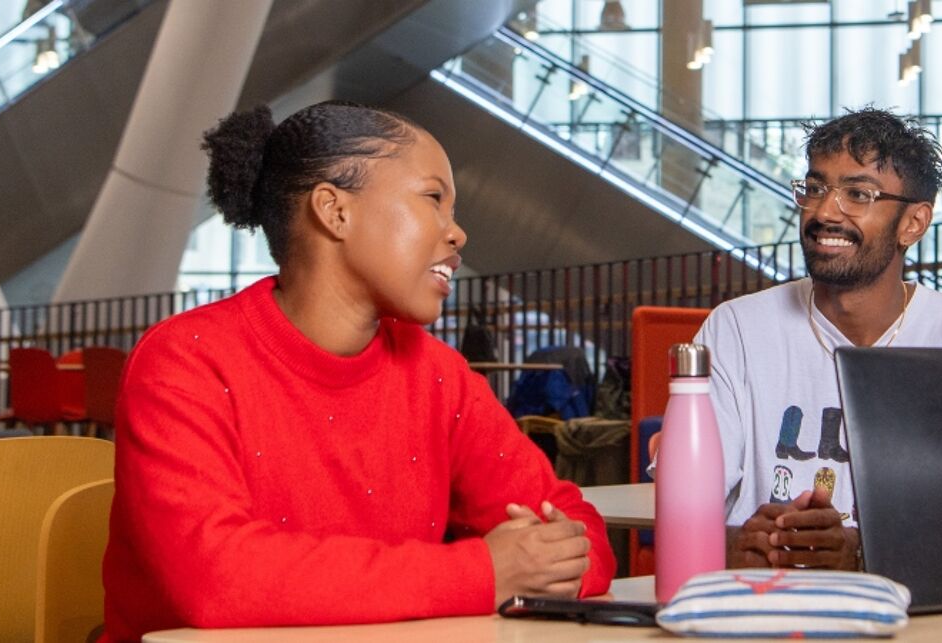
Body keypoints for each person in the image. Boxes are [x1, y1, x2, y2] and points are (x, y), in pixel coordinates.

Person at [104, 102, 613, 641]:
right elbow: (215, 579)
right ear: (334, 210)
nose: (457, 233)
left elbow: (580, 531)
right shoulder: (186, 360)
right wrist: (485, 572)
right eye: (433, 199)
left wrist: (544, 562)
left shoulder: (439, 374)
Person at [694, 108, 942, 571]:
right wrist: (739, 544)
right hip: (758, 604)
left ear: (914, 223)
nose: (823, 212)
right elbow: (688, 509)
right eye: (815, 188)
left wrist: (859, 552)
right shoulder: (736, 330)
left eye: (858, 194)